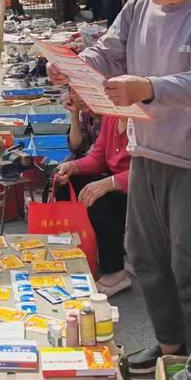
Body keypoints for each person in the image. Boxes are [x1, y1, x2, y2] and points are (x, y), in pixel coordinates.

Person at [48, 0, 191, 374]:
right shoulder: (138, 6)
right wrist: (75, 67)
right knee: (145, 257)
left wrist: (148, 87)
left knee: (190, 264)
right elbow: (108, 50)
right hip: (147, 152)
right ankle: (170, 345)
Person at [54, 95, 131, 297]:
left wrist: (109, 183)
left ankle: (115, 271)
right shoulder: (112, 117)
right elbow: (98, 156)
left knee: (100, 201)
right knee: (65, 183)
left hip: (140, 189)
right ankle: (78, 251)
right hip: (115, 181)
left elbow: (150, 170)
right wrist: (73, 166)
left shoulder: (144, 121)